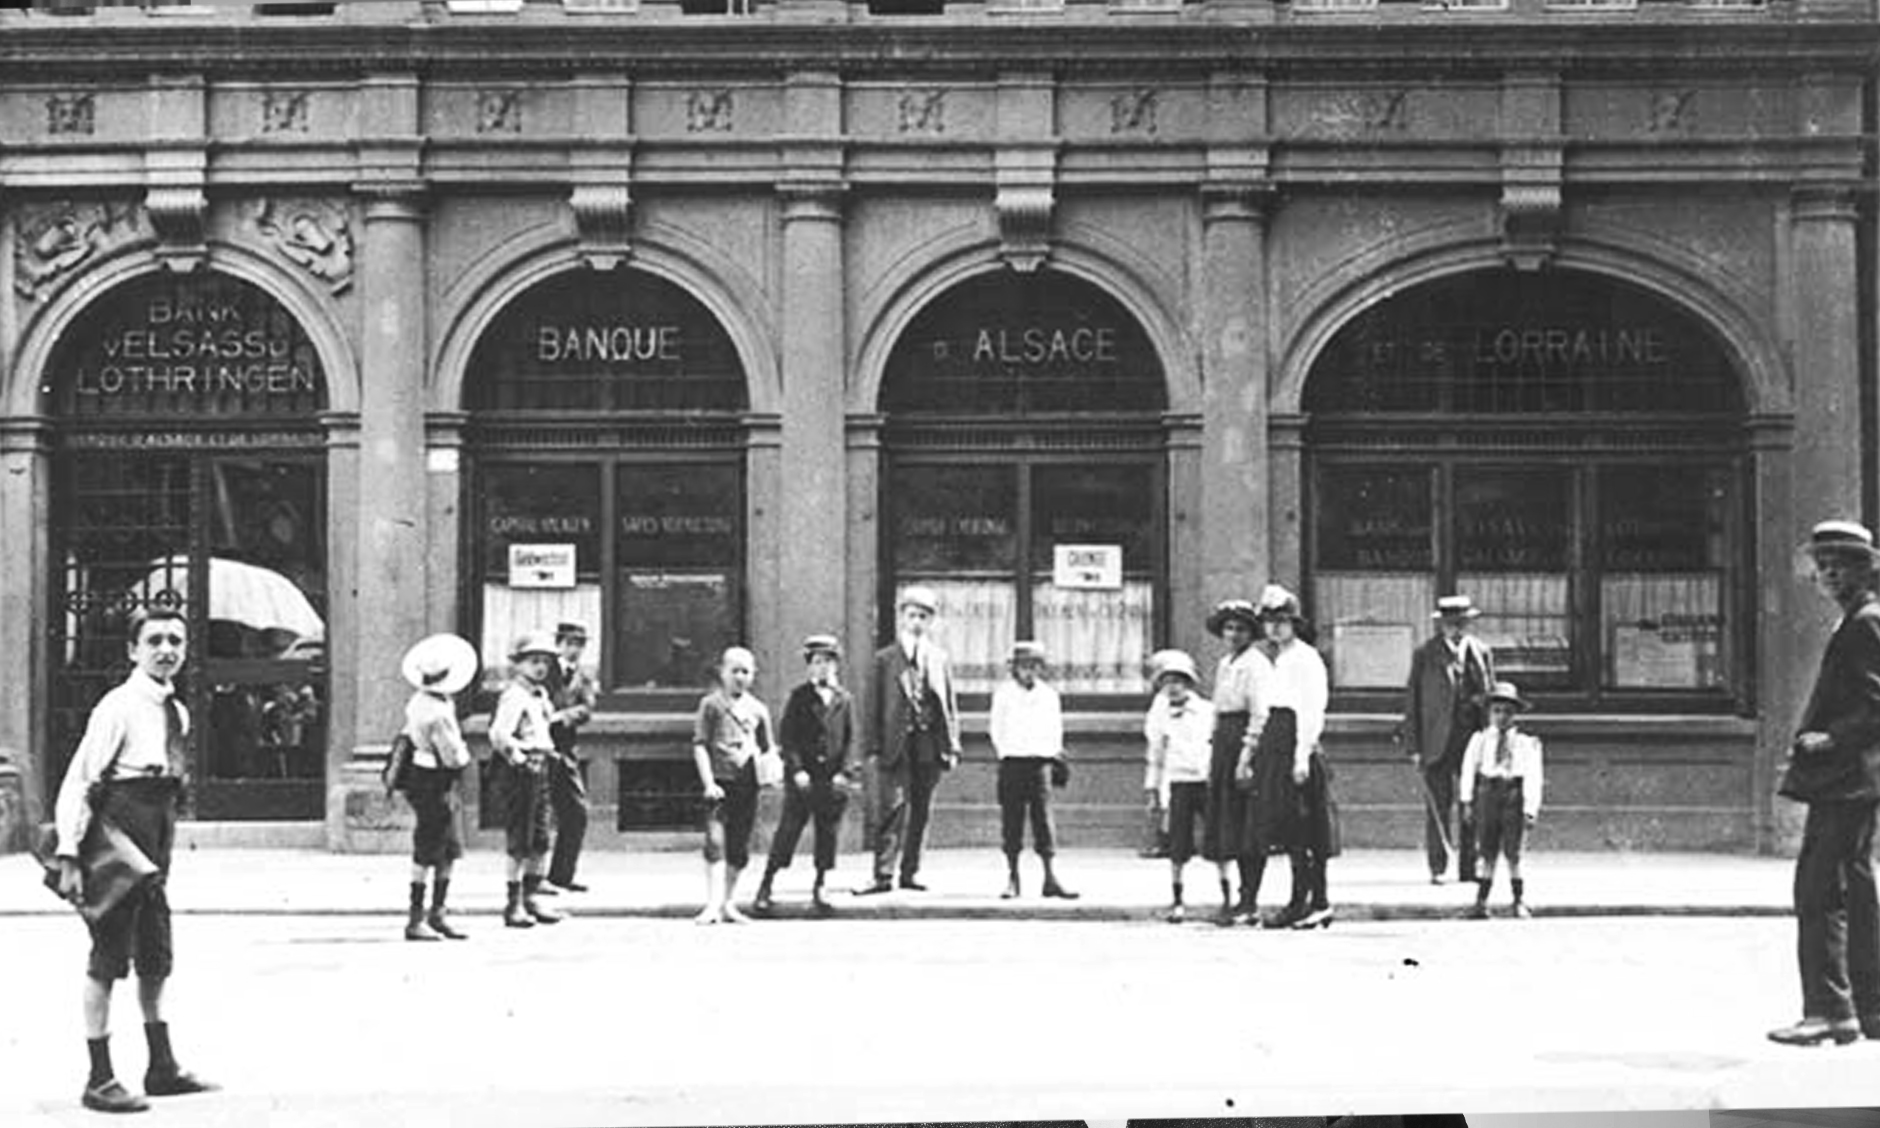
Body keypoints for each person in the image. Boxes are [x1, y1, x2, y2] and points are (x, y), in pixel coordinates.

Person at [53, 606, 217, 1113]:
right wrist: (69, 852)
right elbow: (83, 779)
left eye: (175, 641)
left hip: (154, 842)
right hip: (119, 842)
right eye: (155, 640)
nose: (166, 650)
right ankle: (99, 1077)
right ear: (133, 650)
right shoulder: (117, 707)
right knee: (107, 958)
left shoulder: (177, 711)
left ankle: (161, 1065)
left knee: (155, 955)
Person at [1768, 519, 1880, 1047]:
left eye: (1842, 564)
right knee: (1854, 889)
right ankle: (1866, 1009)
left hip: (1846, 779)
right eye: (1823, 564)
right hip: (1854, 781)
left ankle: (1829, 1011)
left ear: (1864, 569)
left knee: (1818, 890)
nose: (1830, 574)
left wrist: (1831, 738)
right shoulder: (1858, 620)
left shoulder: (1865, 624)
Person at [1241, 583, 1335, 930]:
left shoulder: (1305, 658)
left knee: (1307, 826)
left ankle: (1316, 902)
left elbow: (1311, 710)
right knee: (1289, 828)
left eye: (1282, 621)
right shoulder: (1278, 659)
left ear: (1294, 623)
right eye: (1269, 622)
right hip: (1276, 742)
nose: (1275, 628)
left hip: (1296, 742)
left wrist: (1301, 757)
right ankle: (1300, 901)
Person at [857, 586, 962, 895]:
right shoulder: (885, 659)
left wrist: (952, 745)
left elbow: (949, 705)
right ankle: (882, 874)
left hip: (928, 744)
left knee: (921, 811)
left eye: (924, 617)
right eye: (912, 615)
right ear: (901, 617)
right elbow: (872, 706)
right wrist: (872, 747)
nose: (917, 622)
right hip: (895, 746)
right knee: (891, 809)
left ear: (931, 622)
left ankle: (911, 872)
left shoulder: (939, 659)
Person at [754, 634, 855, 916]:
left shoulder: (844, 699)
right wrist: (797, 770)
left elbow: (851, 739)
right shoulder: (799, 697)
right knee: (788, 831)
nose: (823, 667)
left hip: (830, 779)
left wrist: (845, 772)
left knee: (827, 833)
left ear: (836, 665)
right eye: (817, 662)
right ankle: (767, 884)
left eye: (828, 662)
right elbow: (788, 738)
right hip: (804, 780)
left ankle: (820, 885)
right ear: (809, 666)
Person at [1402, 594, 1496, 886]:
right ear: (1441, 625)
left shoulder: (1481, 652)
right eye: (1451, 623)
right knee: (1438, 806)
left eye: (1462, 623)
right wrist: (1414, 746)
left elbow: (1493, 700)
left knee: (1473, 805)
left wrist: (1492, 740)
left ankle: (1470, 867)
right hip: (1436, 742)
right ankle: (1438, 867)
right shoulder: (1425, 654)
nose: (1457, 629)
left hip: (1472, 741)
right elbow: (1412, 702)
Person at [397, 632, 479, 942]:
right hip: (437, 779)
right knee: (434, 846)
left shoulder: (419, 701)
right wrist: (463, 755)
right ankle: (420, 917)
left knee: (441, 845)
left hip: (421, 775)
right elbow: (453, 755)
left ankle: (433, 914)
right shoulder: (439, 713)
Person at [692, 646, 775, 925]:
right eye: (734, 671)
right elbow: (700, 744)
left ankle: (728, 902)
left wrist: (769, 772)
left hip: (747, 786)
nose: (740, 677)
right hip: (719, 784)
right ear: (722, 672)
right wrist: (708, 782)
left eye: (745, 672)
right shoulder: (711, 705)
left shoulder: (758, 710)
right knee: (715, 842)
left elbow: (768, 748)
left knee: (739, 846)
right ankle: (712, 904)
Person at [990, 640, 1078, 900]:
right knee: (1012, 821)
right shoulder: (1004, 694)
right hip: (1013, 763)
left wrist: (1050, 755)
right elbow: (996, 729)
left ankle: (1050, 877)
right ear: (1014, 668)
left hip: (1040, 764)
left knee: (1043, 820)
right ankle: (1013, 877)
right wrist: (1008, 751)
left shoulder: (1048, 696)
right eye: (1024, 666)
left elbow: (1055, 730)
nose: (1029, 672)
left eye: (1034, 666)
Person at [489, 631, 564, 929]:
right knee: (521, 837)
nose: (541, 667)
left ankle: (532, 896)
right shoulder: (514, 696)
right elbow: (499, 735)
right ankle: (514, 903)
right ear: (518, 664)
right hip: (522, 771)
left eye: (545, 662)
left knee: (541, 836)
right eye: (533, 661)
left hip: (542, 765)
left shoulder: (539, 694)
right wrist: (519, 757)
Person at [1202, 597, 1266, 926]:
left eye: (1241, 629)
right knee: (1229, 824)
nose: (1233, 634)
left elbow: (1259, 714)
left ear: (1251, 633)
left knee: (1247, 825)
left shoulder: (1256, 665)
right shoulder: (1226, 663)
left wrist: (1245, 758)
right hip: (1224, 743)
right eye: (1228, 628)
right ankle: (1238, 899)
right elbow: (1217, 709)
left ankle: (1250, 899)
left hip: (1242, 743)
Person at [1458, 680, 1543, 921]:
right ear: (1489, 713)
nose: (1502, 716)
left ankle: (1518, 900)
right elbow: (1468, 771)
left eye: (1507, 711)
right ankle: (1481, 902)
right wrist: (1467, 801)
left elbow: (1533, 777)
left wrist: (1530, 809)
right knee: (1487, 850)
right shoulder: (1480, 740)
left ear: (1515, 715)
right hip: (1488, 794)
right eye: (1496, 711)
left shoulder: (1526, 743)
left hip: (1513, 795)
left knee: (1513, 852)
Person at [1142, 648, 1214, 923]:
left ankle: (1228, 895)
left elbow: (1215, 746)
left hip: (1205, 781)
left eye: (1179, 681)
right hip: (1177, 782)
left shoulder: (1207, 711)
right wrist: (1153, 790)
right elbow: (1156, 754)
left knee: (1219, 841)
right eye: (1167, 681)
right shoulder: (1159, 714)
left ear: (1189, 683)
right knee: (1177, 846)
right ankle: (1178, 899)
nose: (1173, 687)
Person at [542, 621, 596, 894]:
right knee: (539, 815)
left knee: (576, 813)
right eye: (570, 643)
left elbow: (588, 708)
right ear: (559, 644)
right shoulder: (543, 670)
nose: (575, 650)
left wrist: (564, 716)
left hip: (566, 750)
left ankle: (562, 874)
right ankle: (533, 878)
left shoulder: (583, 676)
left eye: (580, 644)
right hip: (539, 749)